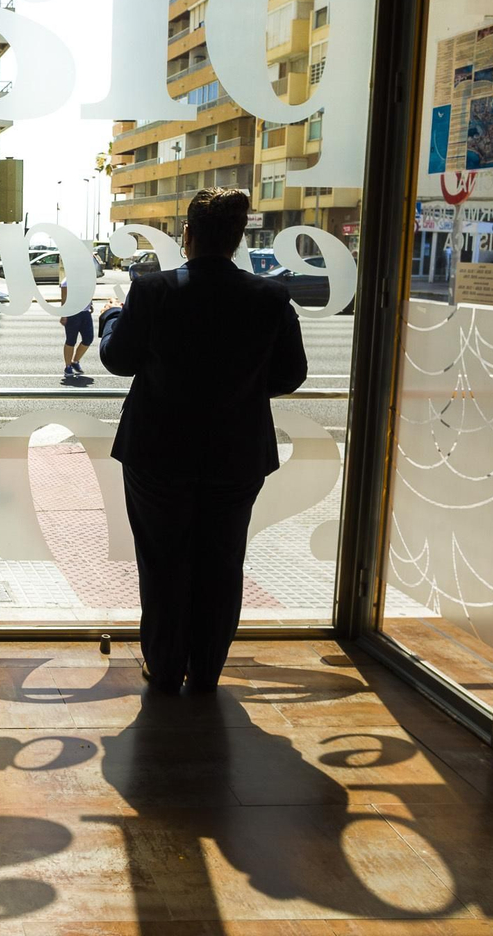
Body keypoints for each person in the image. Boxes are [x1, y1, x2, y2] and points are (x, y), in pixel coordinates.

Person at [99, 188, 308, 694]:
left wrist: (109, 318)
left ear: (187, 236)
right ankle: (207, 669)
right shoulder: (269, 298)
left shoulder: (153, 291)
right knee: (221, 562)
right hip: (236, 456)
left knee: (163, 561)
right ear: (238, 240)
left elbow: (117, 359)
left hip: (157, 454)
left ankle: (165, 667)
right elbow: (291, 374)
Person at [59, 274, 94, 383]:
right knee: (71, 340)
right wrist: (64, 314)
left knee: (88, 338)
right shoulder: (67, 281)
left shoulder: (87, 278)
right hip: (72, 313)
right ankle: (68, 366)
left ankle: (75, 361)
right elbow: (64, 298)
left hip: (85, 313)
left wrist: (90, 303)